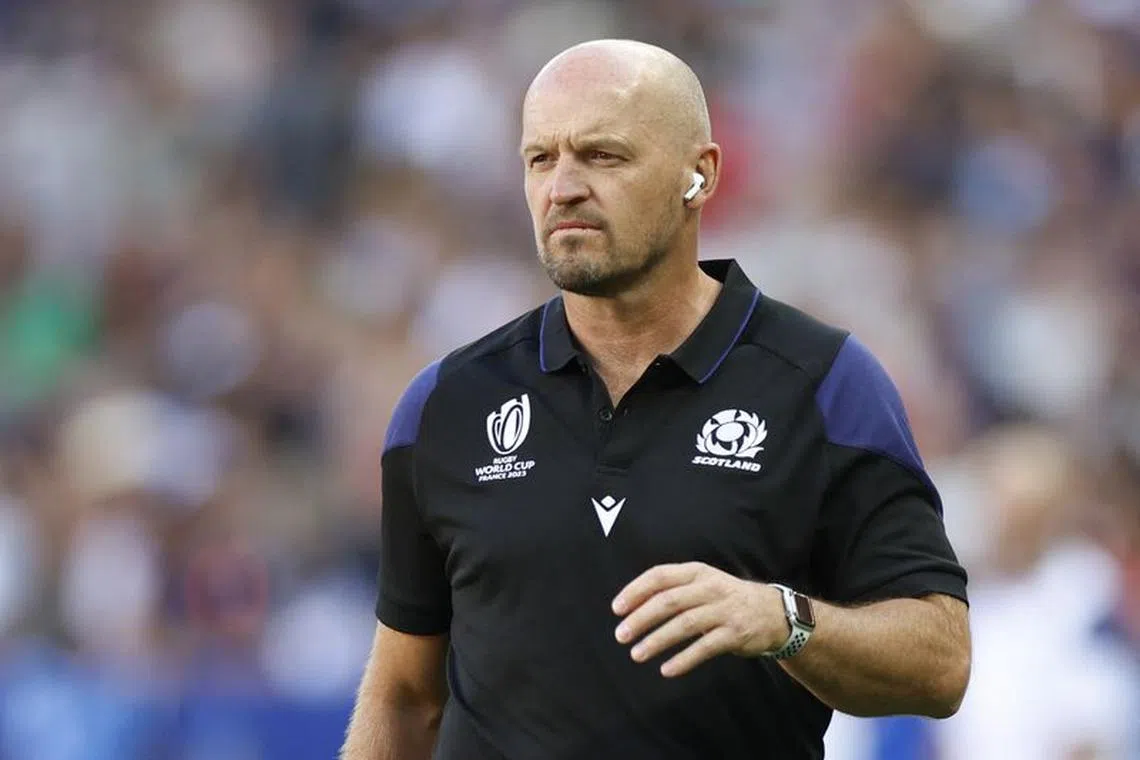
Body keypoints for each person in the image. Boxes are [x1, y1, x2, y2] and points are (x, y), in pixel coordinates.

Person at [340, 38, 971, 760]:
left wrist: (782, 620)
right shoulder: (445, 405)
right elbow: (405, 695)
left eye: (602, 155)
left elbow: (941, 664)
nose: (562, 187)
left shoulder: (825, 384)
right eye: (540, 159)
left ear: (699, 176)